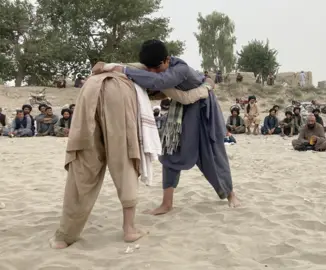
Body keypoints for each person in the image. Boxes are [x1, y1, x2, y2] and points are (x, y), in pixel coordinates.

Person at [50, 41, 213, 249]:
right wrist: (207, 87)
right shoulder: (161, 80)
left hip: (90, 87)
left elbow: (100, 66)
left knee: (83, 162)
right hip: (120, 92)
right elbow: (186, 96)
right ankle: (129, 229)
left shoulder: (131, 67)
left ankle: (64, 236)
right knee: (124, 160)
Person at [100, 39, 240, 216]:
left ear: (167, 60)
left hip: (203, 113)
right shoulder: (158, 67)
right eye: (149, 68)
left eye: (156, 68)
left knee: (213, 154)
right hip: (180, 113)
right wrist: (111, 66)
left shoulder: (180, 69)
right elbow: (148, 73)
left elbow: (159, 81)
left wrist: (125, 70)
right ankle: (167, 203)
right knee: (170, 151)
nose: (152, 72)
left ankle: (230, 194)